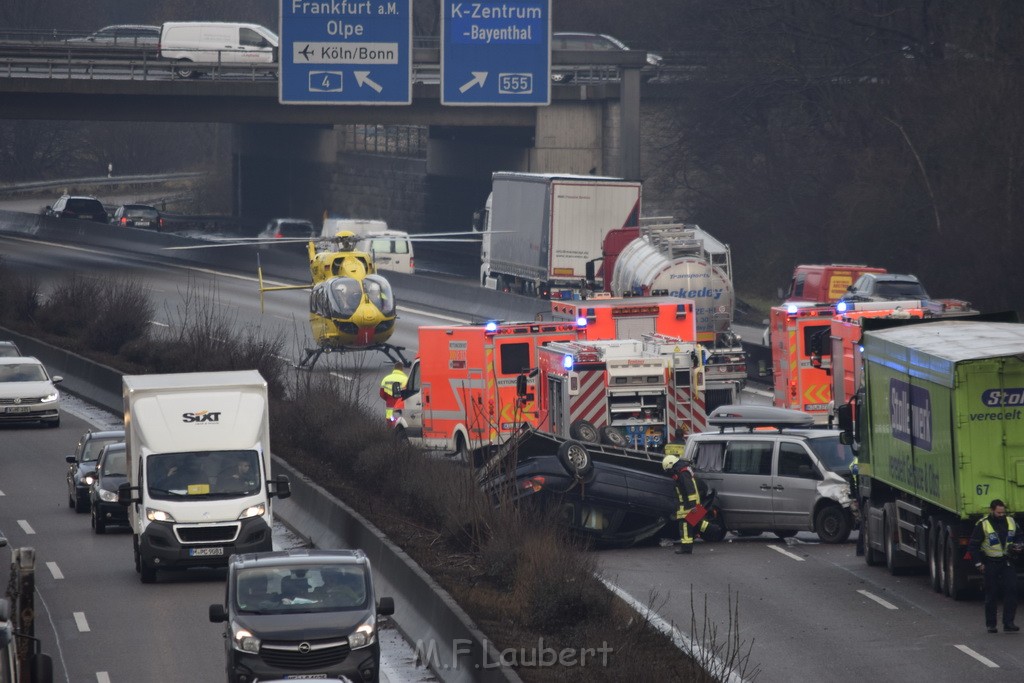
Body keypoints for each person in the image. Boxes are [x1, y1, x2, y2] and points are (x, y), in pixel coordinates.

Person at [967, 499, 1021, 633]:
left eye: (1003, 512)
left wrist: (1019, 545)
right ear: (992, 510)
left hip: (1007, 561)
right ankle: (991, 624)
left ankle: (1009, 623)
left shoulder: (1011, 521)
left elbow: (1020, 537)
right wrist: (979, 564)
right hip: (990, 562)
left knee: (1012, 589)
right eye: (998, 513)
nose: (1001, 515)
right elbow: (973, 546)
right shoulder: (983, 524)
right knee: (991, 593)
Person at [662, 453, 710, 555]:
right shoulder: (682, 471)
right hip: (688, 502)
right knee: (695, 522)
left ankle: (686, 548)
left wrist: (692, 505)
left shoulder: (683, 473)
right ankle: (714, 530)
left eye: (668, 470)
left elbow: (689, 489)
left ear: (671, 465)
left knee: (684, 524)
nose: (669, 474)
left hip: (688, 504)